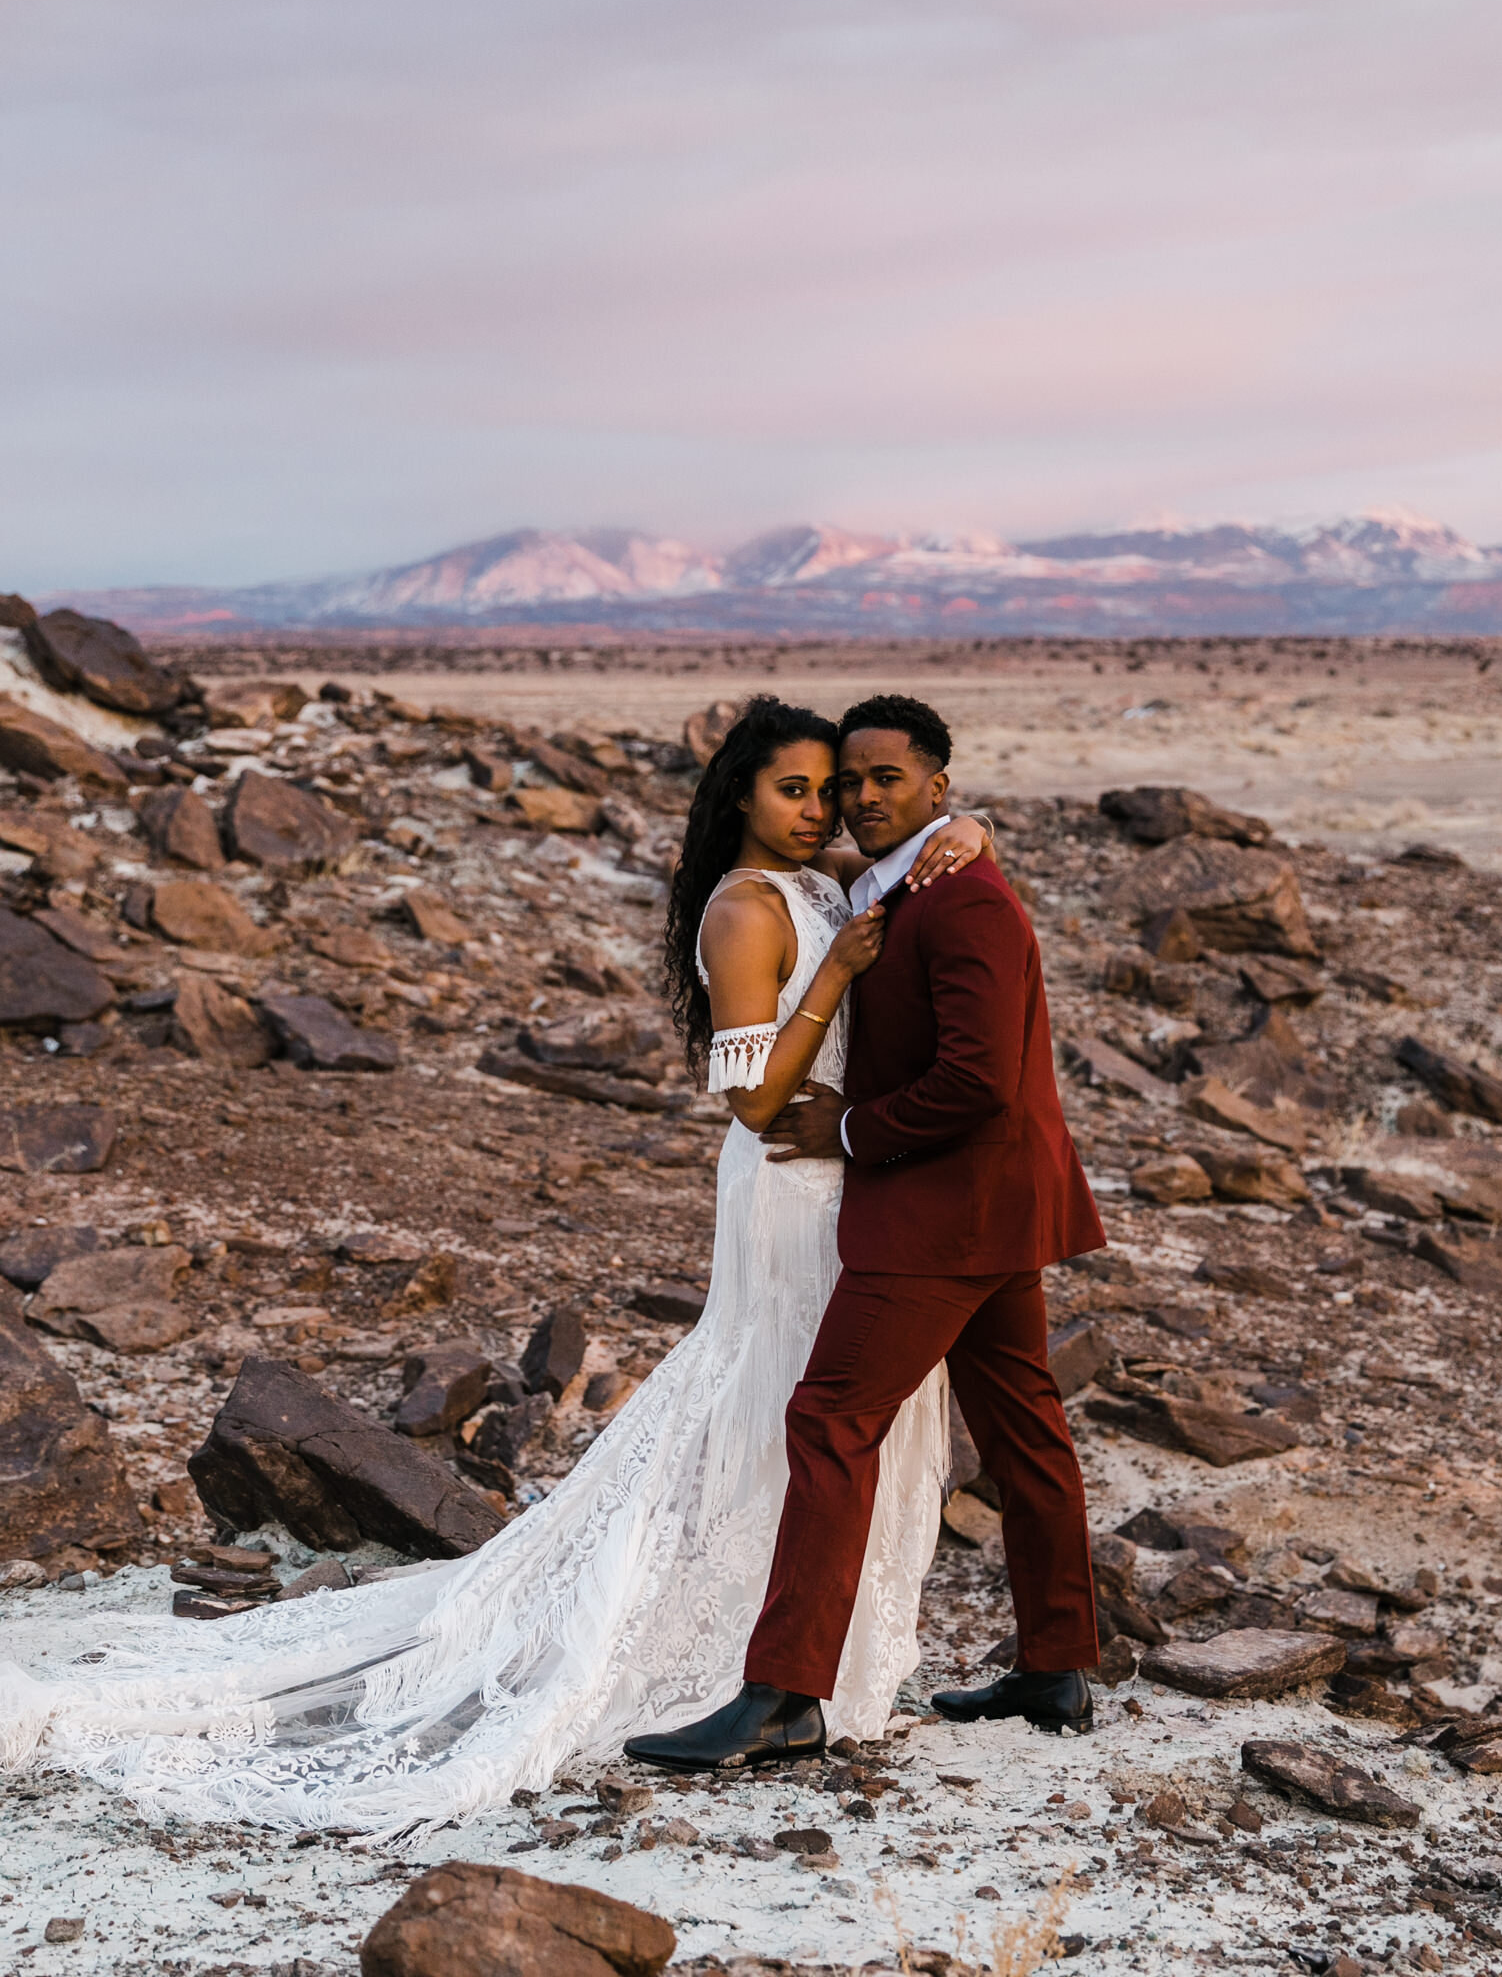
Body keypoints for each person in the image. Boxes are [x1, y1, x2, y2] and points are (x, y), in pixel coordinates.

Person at [0, 699, 991, 1834]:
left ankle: (805, 1655)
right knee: (771, 1401)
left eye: (830, 791)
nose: (821, 811)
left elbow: (927, 853)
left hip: (848, 1183)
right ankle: (737, 1651)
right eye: (794, 790)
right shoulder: (745, 908)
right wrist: (834, 981)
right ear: (740, 799)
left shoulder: (829, 888)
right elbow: (751, 1096)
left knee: (819, 1414)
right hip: (787, 1185)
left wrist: (966, 838)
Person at [627, 694, 1105, 1775]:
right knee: (1023, 1425)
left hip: (939, 1214)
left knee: (829, 1418)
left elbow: (977, 1082)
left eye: (882, 781)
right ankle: (1054, 1663)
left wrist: (846, 1127)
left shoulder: (959, 896)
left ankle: (785, 1693)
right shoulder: (879, 882)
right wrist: (958, 830)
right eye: (843, 784)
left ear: (936, 787)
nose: (853, 801)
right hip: (970, 1206)